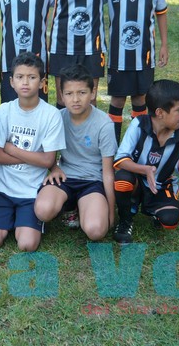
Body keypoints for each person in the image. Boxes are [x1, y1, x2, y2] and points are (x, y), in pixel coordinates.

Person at [0, 52, 65, 251]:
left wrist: (11, 148)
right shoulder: (4, 110)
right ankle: (5, 219)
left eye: (32, 77)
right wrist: (33, 157)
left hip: (31, 191)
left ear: (42, 82)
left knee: (26, 245)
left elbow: (47, 161)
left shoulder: (51, 114)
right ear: (11, 82)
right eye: (20, 77)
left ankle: (22, 221)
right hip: (3, 189)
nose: (25, 82)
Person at [112, 80, 179, 244]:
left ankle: (153, 209)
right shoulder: (139, 124)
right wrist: (145, 169)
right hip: (137, 180)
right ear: (160, 112)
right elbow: (120, 160)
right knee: (123, 179)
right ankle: (125, 220)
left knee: (170, 220)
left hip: (161, 185)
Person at [34, 65, 117, 241]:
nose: (75, 99)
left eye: (82, 92)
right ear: (62, 96)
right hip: (64, 177)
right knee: (42, 210)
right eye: (69, 94)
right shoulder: (57, 118)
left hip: (92, 181)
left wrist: (111, 212)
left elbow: (108, 173)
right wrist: (54, 168)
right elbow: (47, 155)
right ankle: (70, 206)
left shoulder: (104, 124)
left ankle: (85, 207)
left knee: (96, 231)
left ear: (92, 93)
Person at [105, 0, 168, 142]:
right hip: (118, 55)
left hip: (145, 54)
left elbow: (161, 12)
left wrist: (164, 45)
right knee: (118, 100)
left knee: (141, 98)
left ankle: (137, 144)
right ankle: (112, 148)